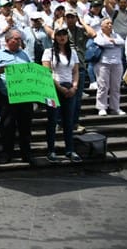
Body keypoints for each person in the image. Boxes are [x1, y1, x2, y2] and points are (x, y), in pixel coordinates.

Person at [0, 29, 34, 165]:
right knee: (7, 126)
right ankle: (6, 154)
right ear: (7, 40)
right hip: (7, 96)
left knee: (25, 126)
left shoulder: (25, 54)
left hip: (25, 95)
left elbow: (32, 70)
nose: (18, 41)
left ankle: (26, 154)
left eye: (19, 39)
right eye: (15, 39)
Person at [42, 28, 82, 163]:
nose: (62, 37)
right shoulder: (49, 52)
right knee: (52, 120)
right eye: (59, 35)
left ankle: (70, 149)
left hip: (69, 86)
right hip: (52, 88)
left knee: (69, 121)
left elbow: (76, 71)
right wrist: (59, 87)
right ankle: (51, 150)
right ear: (55, 37)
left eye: (64, 34)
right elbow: (46, 71)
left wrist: (75, 86)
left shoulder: (73, 52)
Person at [94, 19, 126, 116]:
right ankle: (101, 107)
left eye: (111, 23)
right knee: (103, 86)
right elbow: (102, 42)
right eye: (107, 23)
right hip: (103, 63)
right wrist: (114, 43)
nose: (110, 25)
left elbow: (122, 42)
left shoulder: (116, 35)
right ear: (102, 26)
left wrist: (113, 41)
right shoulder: (99, 34)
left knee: (115, 87)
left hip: (117, 63)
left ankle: (115, 107)